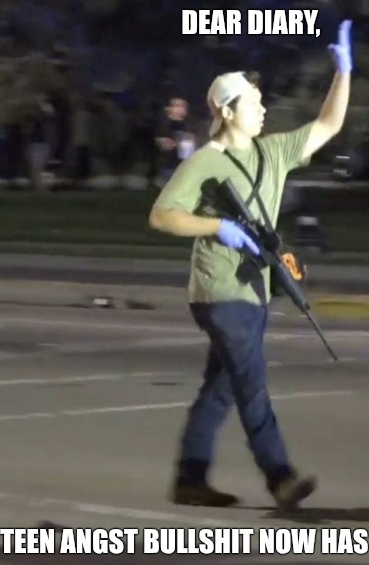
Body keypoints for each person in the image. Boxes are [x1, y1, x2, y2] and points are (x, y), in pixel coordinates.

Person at [149, 20, 353, 510]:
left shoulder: (273, 152)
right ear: (226, 111)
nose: (263, 109)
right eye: (254, 103)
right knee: (251, 384)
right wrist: (217, 227)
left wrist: (343, 73)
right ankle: (280, 477)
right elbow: (162, 215)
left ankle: (190, 478)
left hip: (255, 290)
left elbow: (328, 126)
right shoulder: (204, 162)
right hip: (220, 292)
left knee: (221, 388)